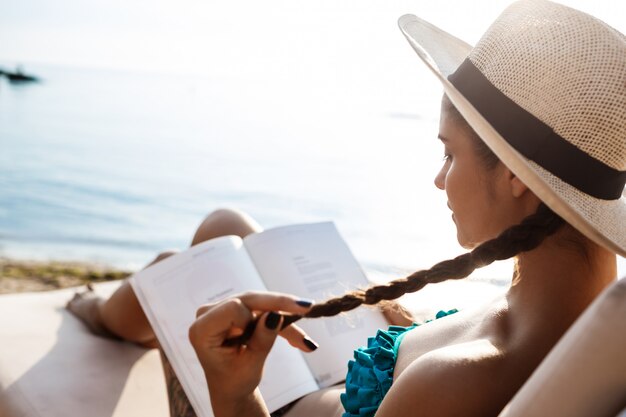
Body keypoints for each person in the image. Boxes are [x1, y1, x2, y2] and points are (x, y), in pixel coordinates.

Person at [67, 1, 626, 416]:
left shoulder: (457, 381)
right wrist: (401, 321)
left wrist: (233, 392)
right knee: (227, 229)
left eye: (448, 152)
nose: (439, 179)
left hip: (276, 401)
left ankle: (93, 313)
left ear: (514, 177)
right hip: (333, 370)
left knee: (186, 267)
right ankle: (100, 313)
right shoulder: (578, 311)